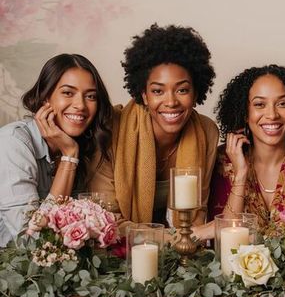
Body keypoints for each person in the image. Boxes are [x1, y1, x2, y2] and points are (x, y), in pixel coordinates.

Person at [89, 24, 218, 231]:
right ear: (144, 95)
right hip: (120, 254)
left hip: (185, 256)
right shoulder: (110, 129)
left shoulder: (206, 132)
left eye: (182, 90)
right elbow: (108, 220)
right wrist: (178, 240)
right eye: (158, 91)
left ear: (195, 94)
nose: (171, 102)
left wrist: (189, 241)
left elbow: (198, 213)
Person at [199, 65, 285, 239]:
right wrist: (241, 174)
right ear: (245, 113)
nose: (272, 115)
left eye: (282, 104)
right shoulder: (223, 161)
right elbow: (225, 234)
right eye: (259, 104)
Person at [0, 53, 112, 246]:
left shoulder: (87, 146)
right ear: (45, 98)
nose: (80, 105)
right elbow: (31, 240)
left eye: (91, 96)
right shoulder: (13, 143)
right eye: (68, 93)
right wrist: (69, 157)